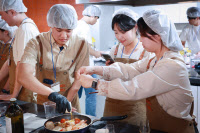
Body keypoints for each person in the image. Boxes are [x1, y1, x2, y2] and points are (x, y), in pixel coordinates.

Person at [77, 9, 198, 133]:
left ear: (157, 36)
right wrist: (95, 69)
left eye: (143, 36)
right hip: (159, 127)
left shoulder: (171, 65)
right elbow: (130, 69)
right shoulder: (155, 59)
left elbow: (133, 88)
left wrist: (95, 83)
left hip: (175, 129)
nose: (140, 40)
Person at [18, 4, 89, 113]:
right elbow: (23, 76)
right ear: (51, 25)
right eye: (59, 30)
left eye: (69, 31)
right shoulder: (36, 42)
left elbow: (79, 78)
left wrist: (66, 102)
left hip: (70, 103)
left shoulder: (81, 44)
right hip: (45, 103)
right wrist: (52, 94)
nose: (64, 36)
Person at [102, 8, 151, 126]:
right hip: (112, 106)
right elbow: (109, 79)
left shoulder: (146, 51)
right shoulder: (115, 50)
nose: (119, 37)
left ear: (135, 28)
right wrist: (108, 71)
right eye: (116, 32)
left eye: (123, 32)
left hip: (134, 108)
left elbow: (148, 83)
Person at [0, 0, 40, 102]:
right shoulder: (20, 29)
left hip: (26, 90)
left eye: (2, 14)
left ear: (12, 12)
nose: (2, 18)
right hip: (20, 89)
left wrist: (13, 96)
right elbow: (10, 60)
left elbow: (22, 66)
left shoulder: (26, 29)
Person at [73, 5, 101, 116]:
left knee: (75, 94)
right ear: (93, 16)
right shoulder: (85, 27)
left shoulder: (77, 25)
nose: (96, 21)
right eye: (97, 18)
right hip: (87, 68)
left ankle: (73, 118)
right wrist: (97, 53)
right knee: (92, 95)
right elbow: (87, 48)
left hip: (76, 67)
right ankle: (91, 120)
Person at [0, 19, 17, 94]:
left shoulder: (13, 46)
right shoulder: (2, 44)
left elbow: (14, 69)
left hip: (7, 88)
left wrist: (5, 89)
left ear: (6, 32)